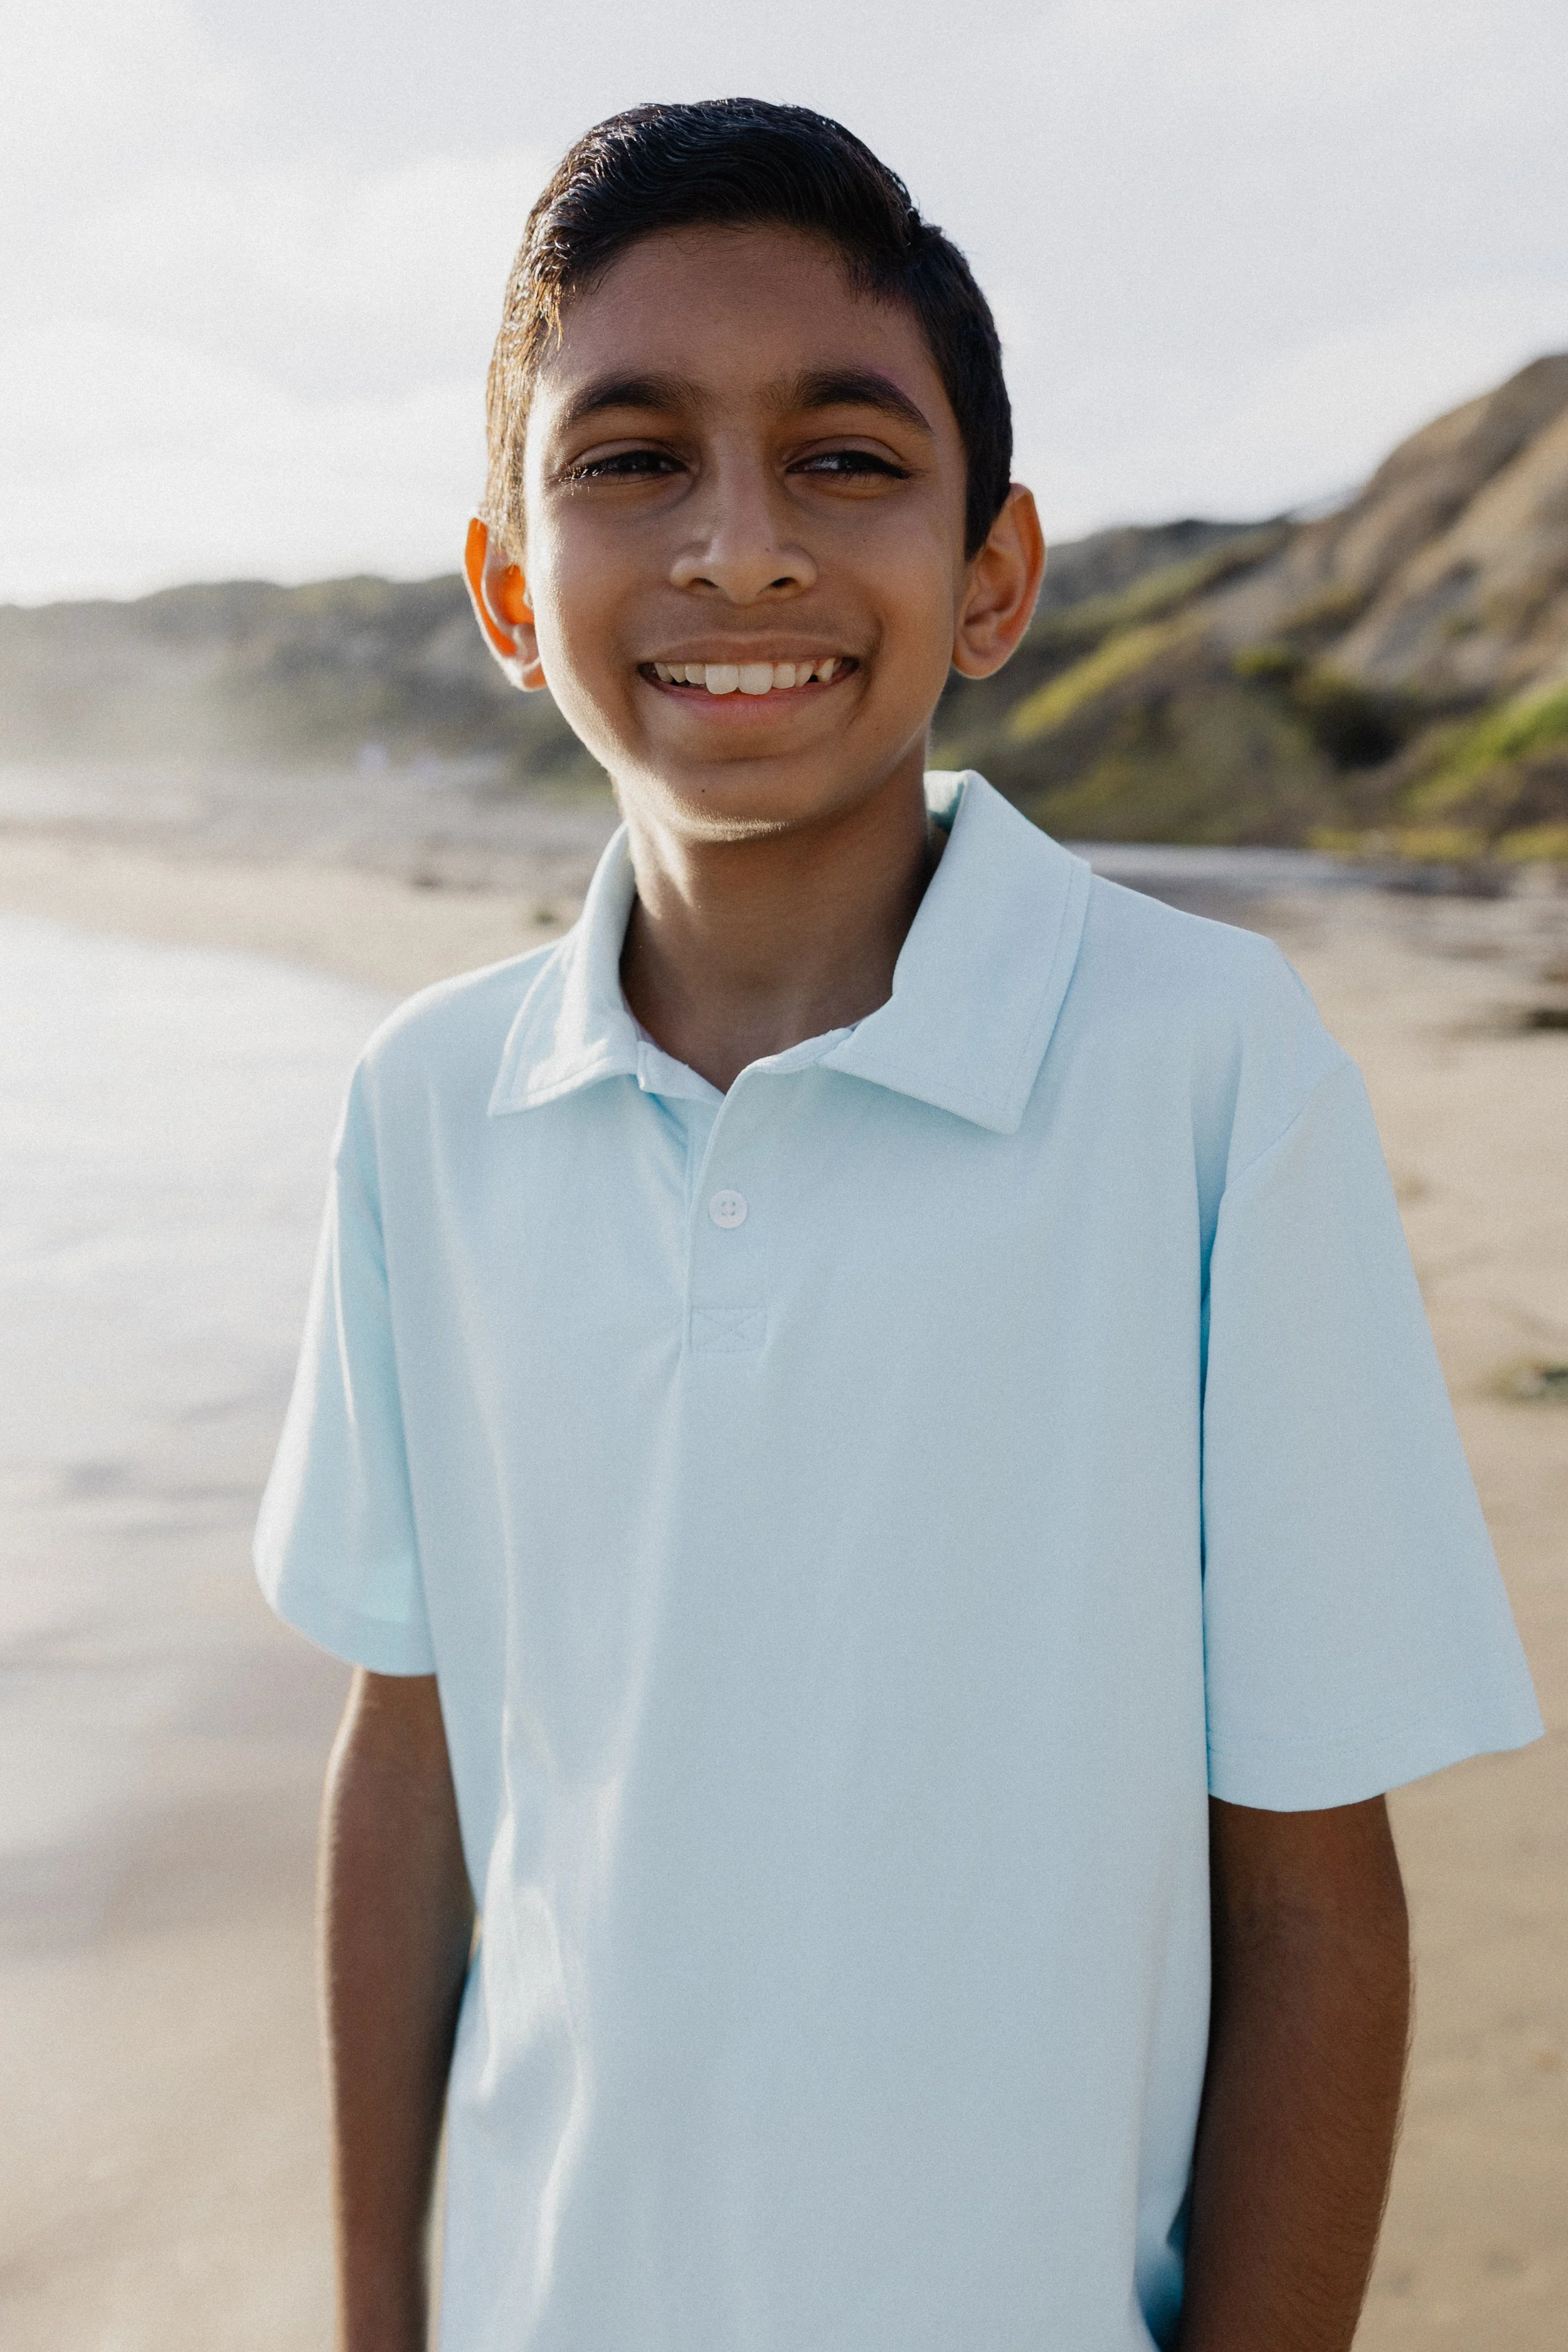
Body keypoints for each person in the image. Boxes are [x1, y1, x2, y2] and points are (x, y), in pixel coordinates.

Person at [255, 98, 1542, 2352]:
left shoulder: (1203, 1070)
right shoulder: (424, 1107)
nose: (738, 549)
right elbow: (414, 1766)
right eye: (629, 455)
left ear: (994, 578)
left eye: (844, 457)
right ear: (500, 587)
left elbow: (1316, 1901)